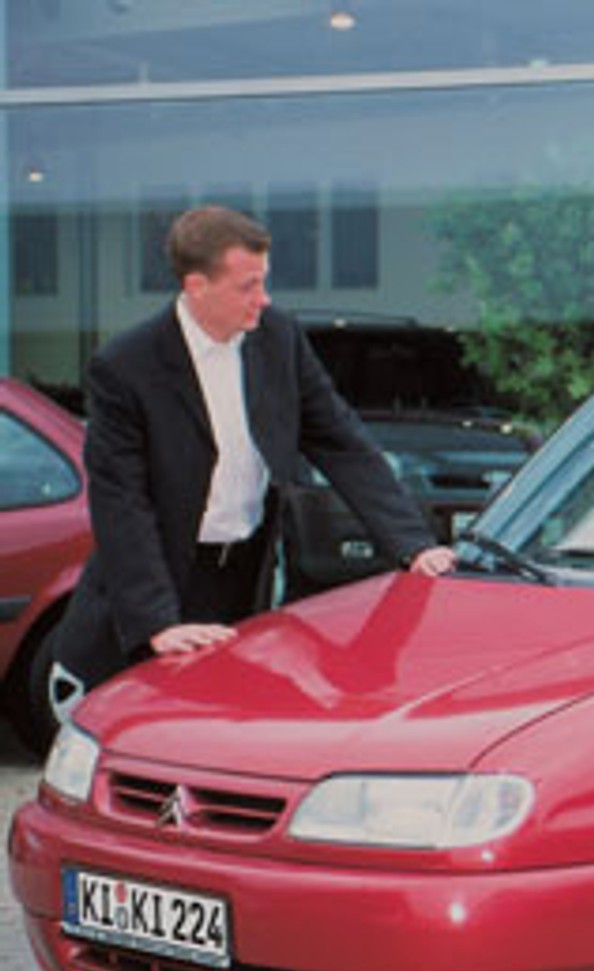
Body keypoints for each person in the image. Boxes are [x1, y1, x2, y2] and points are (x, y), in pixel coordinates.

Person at [50, 205, 455, 713]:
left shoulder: (278, 338)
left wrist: (414, 544)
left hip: (246, 574)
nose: (263, 299)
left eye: (263, 282)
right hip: (161, 581)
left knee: (234, 731)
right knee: (151, 737)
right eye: (248, 285)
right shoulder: (125, 366)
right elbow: (121, 504)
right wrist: (159, 623)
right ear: (198, 286)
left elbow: (340, 439)